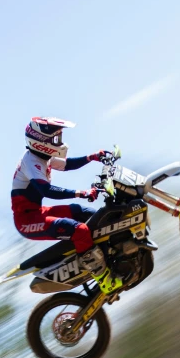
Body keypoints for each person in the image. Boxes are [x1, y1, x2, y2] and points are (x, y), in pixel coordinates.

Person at [11, 117, 122, 295]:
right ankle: (104, 279)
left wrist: (92, 157)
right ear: (40, 142)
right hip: (26, 221)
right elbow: (47, 190)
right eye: (56, 139)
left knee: (88, 214)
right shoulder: (30, 162)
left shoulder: (42, 156)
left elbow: (67, 164)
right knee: (80, 230)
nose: (60, 143)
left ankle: (107, 255)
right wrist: (81, 192)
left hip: (37, 212)